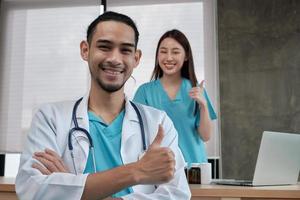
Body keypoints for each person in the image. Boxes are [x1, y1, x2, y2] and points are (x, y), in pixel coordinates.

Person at [15, 12, 190, 200]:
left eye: (125, 50)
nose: (115, 59)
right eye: (105, 47)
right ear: (85, 50)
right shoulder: (50, 118)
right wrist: (137, 171)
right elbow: (31, 188)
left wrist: (71, 185)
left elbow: (177, 194)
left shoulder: (158, 122)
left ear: (136, 58)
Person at [133, 29, 217, 165]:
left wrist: (203, 105)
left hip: (194, 169)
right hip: (159, 171)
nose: (169, 57)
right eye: (163, 51)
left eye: (175, 52)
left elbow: (205, 136)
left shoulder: (197, 90)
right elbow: (137, 136)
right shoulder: (144, 92)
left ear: (186, 56)